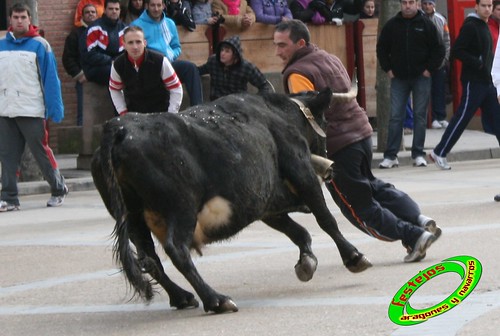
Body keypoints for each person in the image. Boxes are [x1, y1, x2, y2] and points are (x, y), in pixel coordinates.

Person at [273, 19, 440, 262]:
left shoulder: (297, 72)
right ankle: (418, 219)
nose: (278, 52)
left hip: (336, 146)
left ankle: (414, 236)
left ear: (300, 43)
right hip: (361, 134)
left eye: (282, 45)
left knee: (358, 207)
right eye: (276, 45)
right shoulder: (328, 57)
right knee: (372, 186)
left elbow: (305, 118)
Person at [0, 3, 68, 212]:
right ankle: (10, 198)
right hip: (5, 109)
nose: (19, 21)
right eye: (16, 17)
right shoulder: (1, 46)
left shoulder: (41, 45)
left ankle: (58, 189)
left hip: (31, 110)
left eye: (23, 17)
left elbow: (51, 80)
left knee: (41, 153)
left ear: (30, 19)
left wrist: (55, 108)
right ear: (10, 20)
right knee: (8, 155)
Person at [430, 0, 500, 170]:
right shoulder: (471, 25)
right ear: (476, 7)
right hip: (474, 81)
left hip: (487, 82)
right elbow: (457, 51)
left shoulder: (485, 25)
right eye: (483, 5)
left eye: (489, 6)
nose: (487, 9)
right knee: (462, 118)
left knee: (498, 118)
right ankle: (439, 152)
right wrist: (478, 63)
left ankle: (439, 152)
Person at [376, 0, 445, 168]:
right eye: (405, 2)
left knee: (420, 117)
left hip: (421, 77)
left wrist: (430, 69)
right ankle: (391, 156)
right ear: (401, 4)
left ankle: (418, 154)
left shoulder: (427, 24)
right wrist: (388, 69)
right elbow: (381, 48)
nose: (408, 6)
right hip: (398, 77)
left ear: (417, 4)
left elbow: (439, 49)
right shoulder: (392, 25)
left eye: (411, 2)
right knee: (395, 117)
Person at [132, 0, 203, 105]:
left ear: (164, 6)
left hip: (169, 63)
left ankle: (197, 109)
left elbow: (176, 47)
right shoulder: (136, 25)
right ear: (147, 6)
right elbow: (134, 50)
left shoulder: (169, 23)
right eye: (152, 5)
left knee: (190, 68)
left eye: (158, 5)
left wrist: (171, 55)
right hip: (149, 67)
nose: (156, 9)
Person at [109, 25, 183, 114]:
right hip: (134, 115)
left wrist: (171, 114)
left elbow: (176, 88)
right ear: (124, 44)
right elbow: (114, 89)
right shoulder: (118, 64)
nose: (135, 47)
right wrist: (123, 112)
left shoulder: (161, 61)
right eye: (130, 43)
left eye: (138, 42)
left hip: (161, 113)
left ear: (145, 43)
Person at [198, 35, 273, 100]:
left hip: (237, 104)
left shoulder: (246, 67)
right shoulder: (213, 61)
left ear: (235, 54)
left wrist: (257, 101)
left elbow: (264, 85)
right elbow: (199, 70)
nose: (222, 53)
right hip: (216, 103)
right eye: (222, 50)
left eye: (227, 51)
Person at [63, 4, 98, 126]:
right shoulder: (75, 34)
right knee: (84, 118)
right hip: (84, 81)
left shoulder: (103, 32)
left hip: (104, 80)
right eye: (87, 12)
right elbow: (68, 58)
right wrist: (79, 75)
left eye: (93, 12)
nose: (91, 14)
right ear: (82, 16)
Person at [421, 0, 451, 130]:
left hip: (439, 63)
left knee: (439, 90)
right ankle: (430, 118)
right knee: (425, 91)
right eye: (425, 4)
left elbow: (446, 40)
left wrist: (444, 59)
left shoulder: (441, 20)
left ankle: (440, 116)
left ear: (434, 5)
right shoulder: (419, 19)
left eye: (430, 4)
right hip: (424, 63)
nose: (427, 6)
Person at [82, 0, 127, 85]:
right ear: (105, 10)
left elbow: (127, 51)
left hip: (117, 65)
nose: (114, 11)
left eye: (117, 9)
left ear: (120, 11)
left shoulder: (125, 29)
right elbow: (89, 54)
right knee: (114, 71)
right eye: (111, 9)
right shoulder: (94, 29)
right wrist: (111, 60)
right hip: (97, 68)